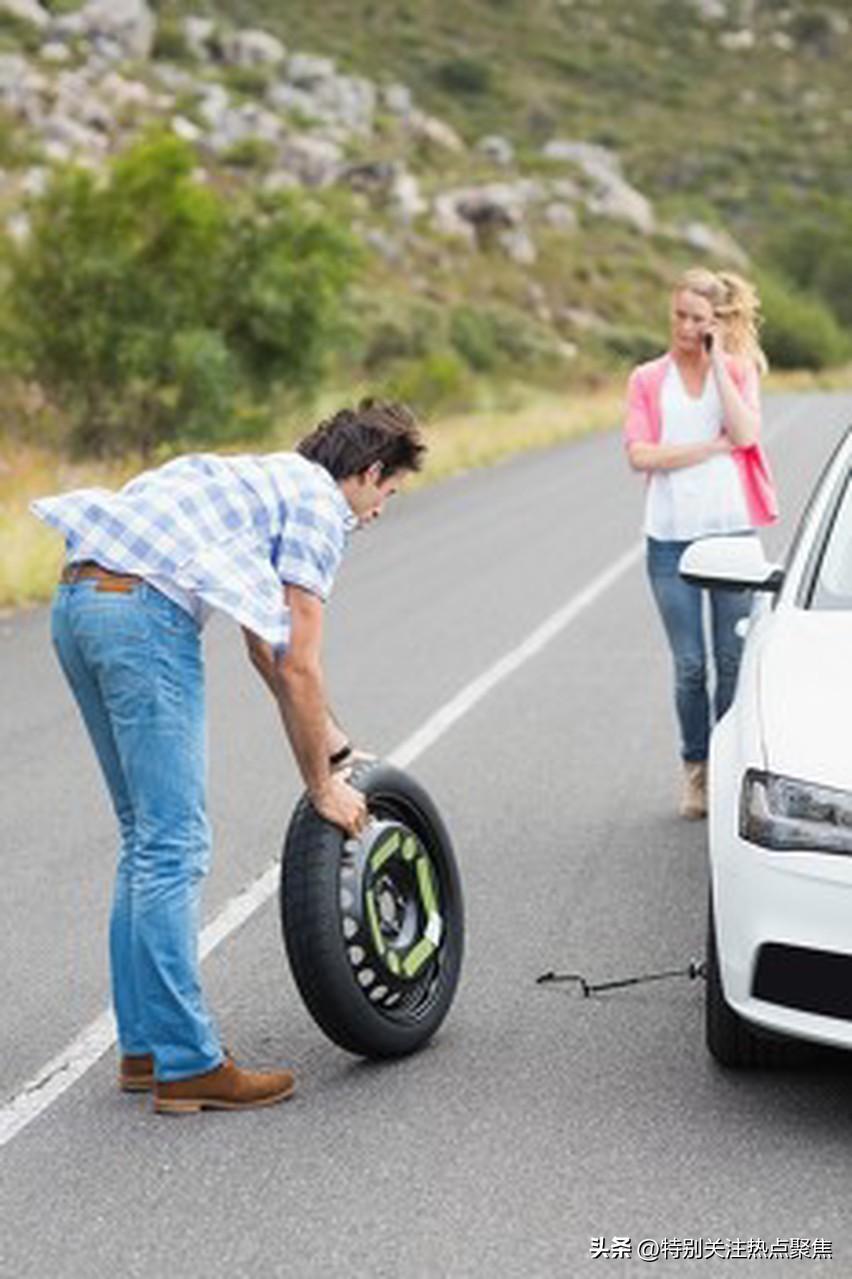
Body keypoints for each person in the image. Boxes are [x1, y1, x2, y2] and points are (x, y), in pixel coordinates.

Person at [31, 399, 426, 1114]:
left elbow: (265, 647)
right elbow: (298, 662)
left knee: (145, 838)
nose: (379, 512)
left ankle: (146, 1047)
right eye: (389, 493)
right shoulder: (319, 508)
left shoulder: (266, 479)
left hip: (79, 600)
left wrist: (334, 746)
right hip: (141, 616)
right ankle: (188, 1064)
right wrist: (323, 787)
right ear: (370, 472)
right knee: (174, 844)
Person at [623, 268, 778, 820]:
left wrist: (717, 365)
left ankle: (729, 768)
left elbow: (745, 434)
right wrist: (707, 449)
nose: (686, 327)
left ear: (716, 323)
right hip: (670, 541)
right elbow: (640, 454)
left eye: (698, 319)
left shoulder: (735, 371)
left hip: (731, 534)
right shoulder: (648, 378)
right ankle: (697, 769)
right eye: (680, 315)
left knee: (733, 661)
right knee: (690, 665)